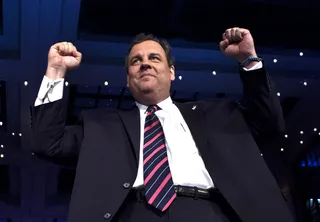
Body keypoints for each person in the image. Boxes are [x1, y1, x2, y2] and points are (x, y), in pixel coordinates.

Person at [30, 27, 296, 222]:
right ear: (127, 78)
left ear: (171, 72)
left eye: (154, 58)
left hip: (208, 212)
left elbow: (270, 124)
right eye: (136, 61)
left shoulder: (216, 114)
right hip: (132, 214)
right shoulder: (101, 125)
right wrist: (55, 71)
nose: (144, 63)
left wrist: (248, 59)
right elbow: (47, 144)